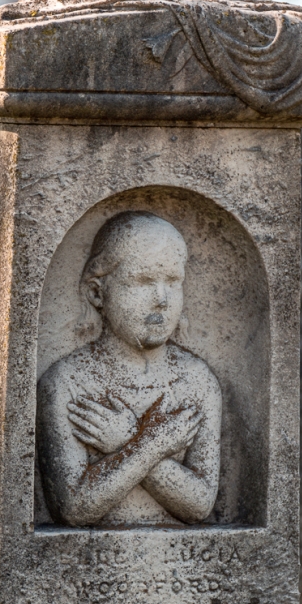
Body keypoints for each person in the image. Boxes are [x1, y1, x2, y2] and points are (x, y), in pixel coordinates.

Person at [36, 211, 222, 526]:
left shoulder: (196, 380)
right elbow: (74, 508)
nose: (162, 299)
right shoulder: (68, 382)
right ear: (97, 292)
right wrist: (153, 443)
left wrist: (125, 440)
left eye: (173, 282)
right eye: (143, 281)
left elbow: (201, 503)